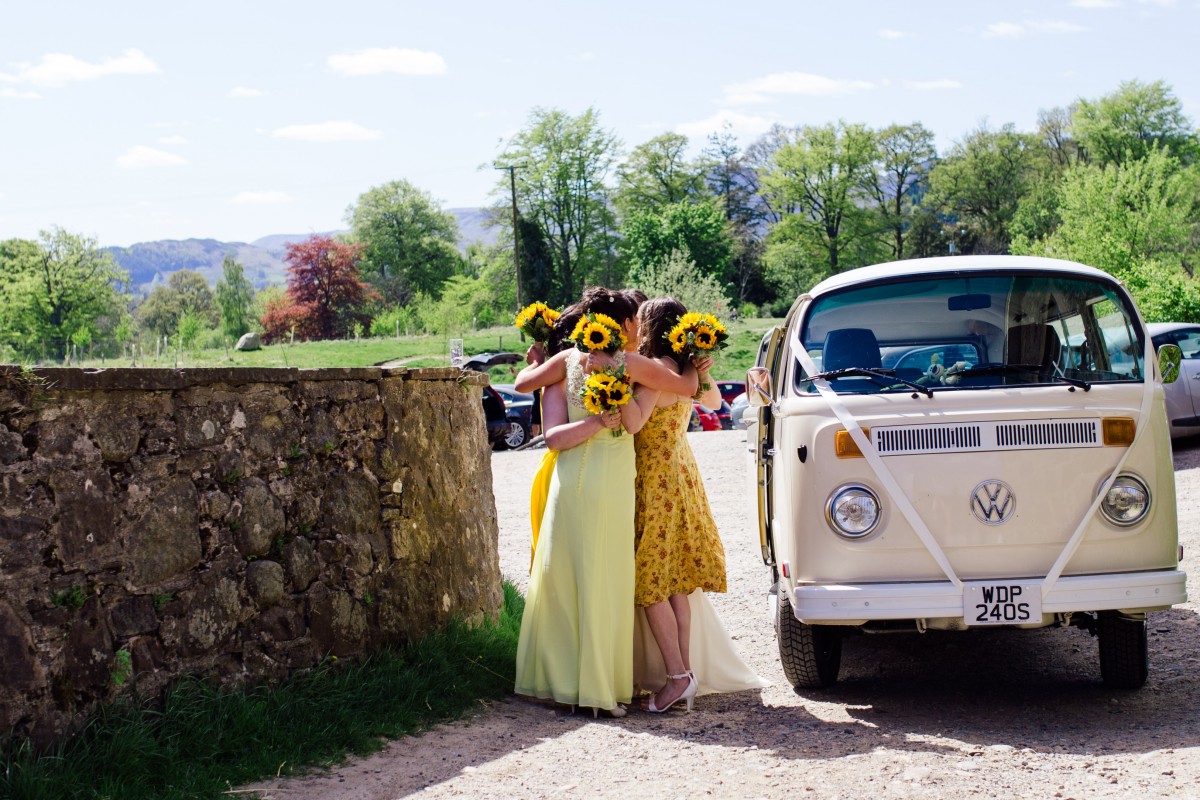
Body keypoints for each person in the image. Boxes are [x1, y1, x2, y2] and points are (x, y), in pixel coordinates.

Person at [513, 288, 656, 717]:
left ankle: (562, 682)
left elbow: (535, 405)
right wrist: (598, 421)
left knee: (567, 579)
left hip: (577, 481)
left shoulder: (569, 363)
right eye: (628, 321)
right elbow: (669, 398)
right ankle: (597, 687)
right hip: (602, 482)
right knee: (602, 579)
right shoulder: (617, 365)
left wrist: (539, 362)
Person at [628, 297, 768, 713]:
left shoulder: (657, 372)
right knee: (676, 583)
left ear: (650, 327)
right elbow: (712, 405)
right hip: (682, 471)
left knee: (651, 580)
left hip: (655, 476)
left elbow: (635, 423)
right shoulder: (685, 369)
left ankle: (677, 676)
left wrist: (613, 408)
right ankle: (683, 672)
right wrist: (699, 366)